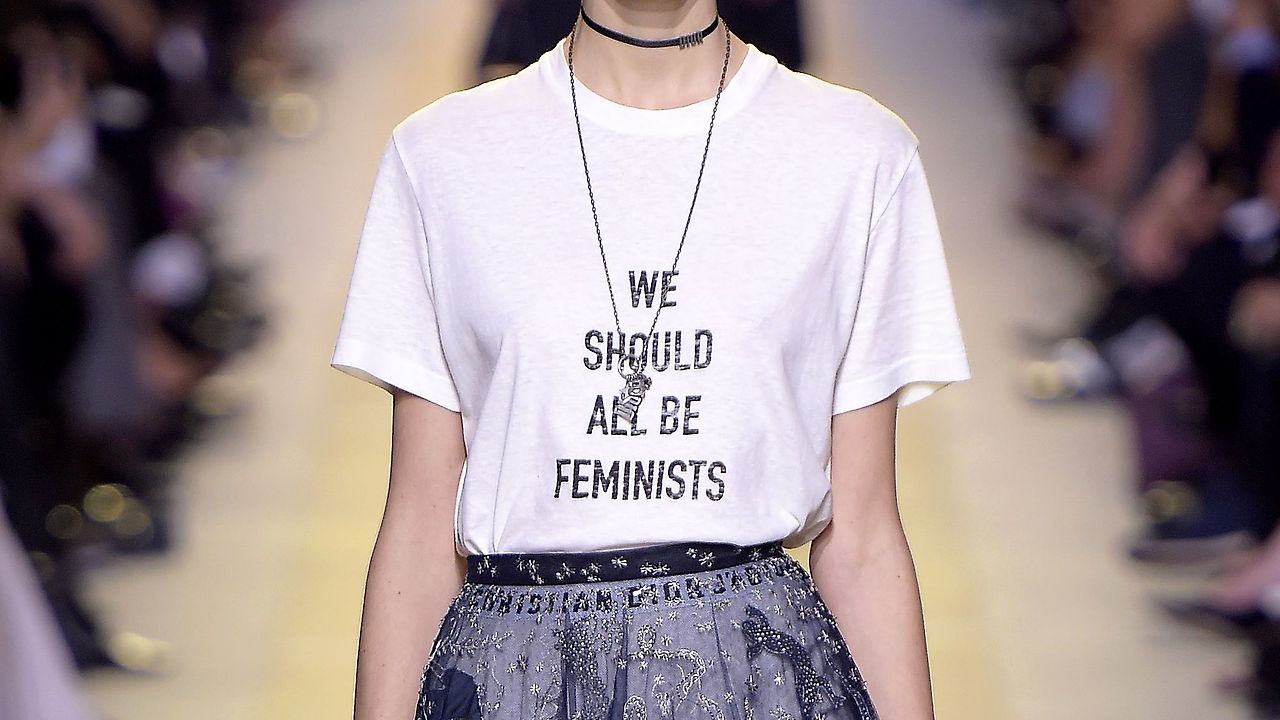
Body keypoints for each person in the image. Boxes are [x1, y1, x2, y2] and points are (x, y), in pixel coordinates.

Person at [329, 1, 972, 718]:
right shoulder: (441, 155)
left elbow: (863, 538)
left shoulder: (857, 153)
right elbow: (420, 528)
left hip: (754, 674)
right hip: (513, 677)